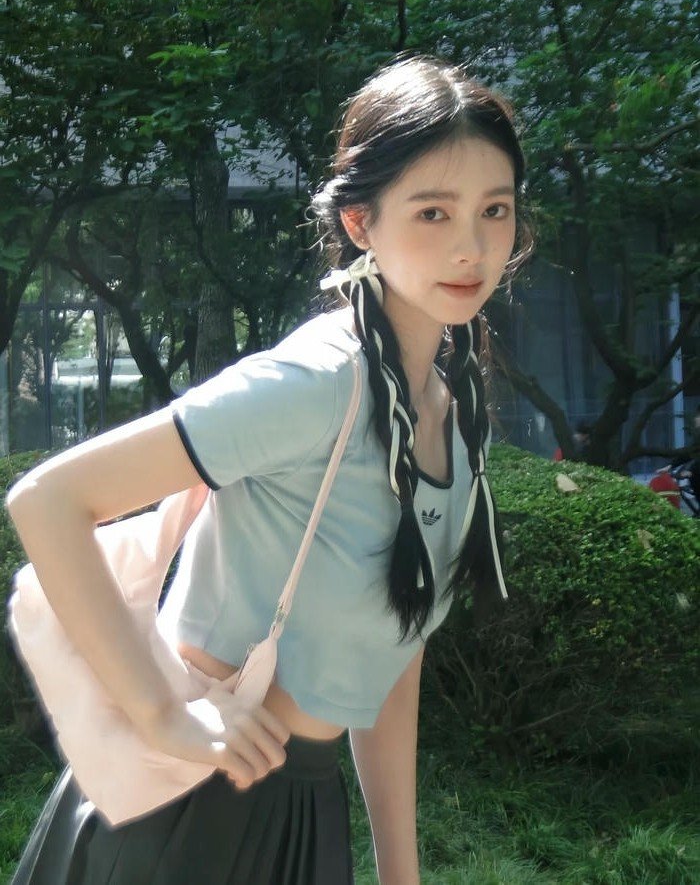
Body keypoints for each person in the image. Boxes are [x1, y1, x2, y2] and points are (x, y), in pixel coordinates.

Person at [6, 54, 531, 885]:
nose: (471, 246)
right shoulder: (319, 381)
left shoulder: (452, 411)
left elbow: (395, 650)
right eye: (433, 211)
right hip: (188, 803)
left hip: (303, 809)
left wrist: (400, 870)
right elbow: (48, 498)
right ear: (360, 222)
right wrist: (161, 714)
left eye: (494, 210)